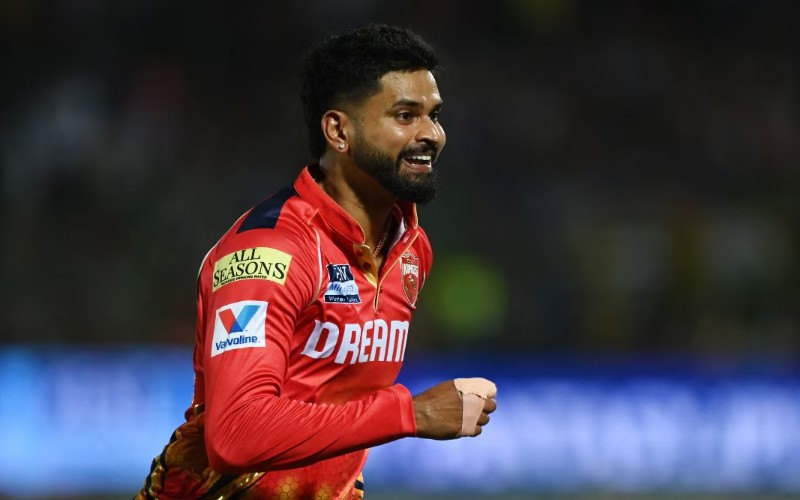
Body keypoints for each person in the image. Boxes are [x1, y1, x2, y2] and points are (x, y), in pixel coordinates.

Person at [136, 24, 497, 500]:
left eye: (434, 116)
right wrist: (411, 414)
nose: (431, 134)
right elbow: (235, 434)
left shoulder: (410, 249)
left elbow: (339, 406)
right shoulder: (268, 252)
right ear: (339, 131)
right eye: (405, 116)